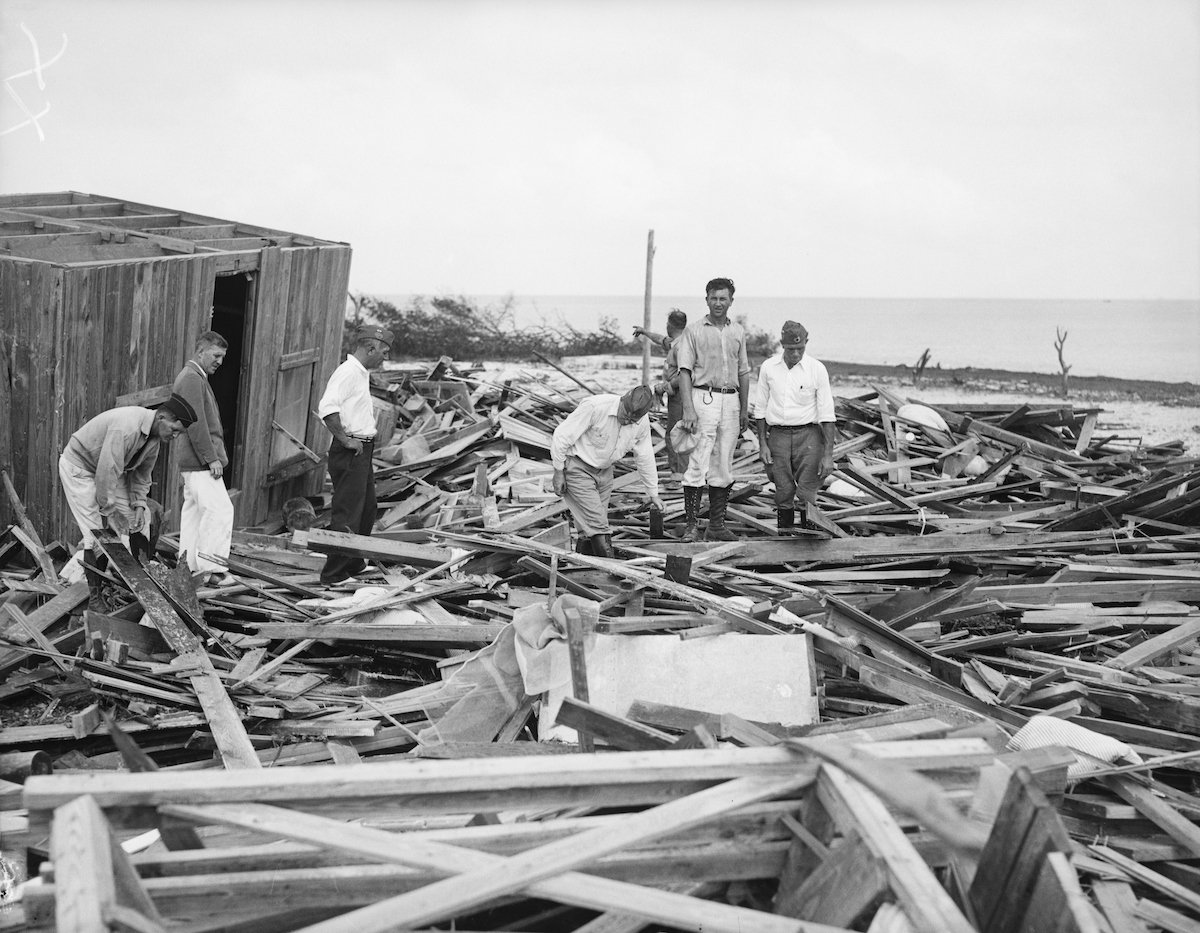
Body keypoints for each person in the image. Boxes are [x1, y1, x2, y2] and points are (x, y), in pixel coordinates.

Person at [59, 395, 196, 608]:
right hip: (80, 468)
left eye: (179, 433)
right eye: (174, 430)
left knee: (140, 518)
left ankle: (140, 579)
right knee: (95, 533)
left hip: (109, 469)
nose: (175, 436)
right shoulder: (127, 428)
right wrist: (110, 511)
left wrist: (139, 504)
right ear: (161, 418)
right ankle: (96, 598)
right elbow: (106, 471)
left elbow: (142, 475)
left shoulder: (155, 437)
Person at [550, 385, 665, 558]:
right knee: (598, 523)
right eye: (625, 414)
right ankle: (611, 570)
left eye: (632, 420)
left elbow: (645, 456)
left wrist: (653, 493)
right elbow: (561, 436)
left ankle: (586, 573)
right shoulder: (595, 407)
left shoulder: (642, 422)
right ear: (622, 401)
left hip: (605, 472)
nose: (627, 421)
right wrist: (559, 471)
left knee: (588, 528)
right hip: (578, 468)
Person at [675, 277, 750, 541]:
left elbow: (743, 371)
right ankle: (692, 526)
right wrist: (688, 409)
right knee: (698, 461)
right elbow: (684, 371)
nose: (718, 303)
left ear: (731, 301)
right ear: (707, 300)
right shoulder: (693, 330)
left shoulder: (738, 332)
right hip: (702, 398)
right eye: (714, 298)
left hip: (731, 401)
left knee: (724, 464)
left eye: (723, 298)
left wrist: (744, 409)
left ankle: (716, 525)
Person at [317, 323, 393, 585]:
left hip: (363, 450)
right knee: (348, 512)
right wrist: (344, 438)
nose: (386, 357)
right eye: (384, 351)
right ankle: (334, 574)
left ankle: (353, 562)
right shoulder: (348, 372)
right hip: (352, 450)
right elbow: (327, 408)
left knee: (367, 508)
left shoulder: (361, 373)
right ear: (370, 347)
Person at [753, 321, 837, 532]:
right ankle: (785, 536)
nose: (796, 354)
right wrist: (762, 444)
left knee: (807, 491)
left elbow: (827, 414)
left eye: (800, 348)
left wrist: (828, 455)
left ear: (806, 343)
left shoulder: (817, 369)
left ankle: (809, 537)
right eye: (791, 349)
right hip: (778, 436)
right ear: (782, 344)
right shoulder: (768, 368)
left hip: (809, 436)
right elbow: (760, 409)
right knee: (783, 489)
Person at [173, 331, 236, 586]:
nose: (220, 361)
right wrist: (211, 458)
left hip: (193, 461)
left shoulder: (195, 377)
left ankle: (187, 566)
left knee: (195, 513)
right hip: (200, 462)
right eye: (216, 355)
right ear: (201, 352)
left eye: (223, 357)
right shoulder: (192, 378)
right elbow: (195, 423)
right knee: (220, 510)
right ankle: (213, 570)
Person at [634, 309, 690, 481]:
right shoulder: (676, 342)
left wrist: (664, 386)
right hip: (675, 397)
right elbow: (660, 340)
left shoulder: (682, 348)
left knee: (676, 433)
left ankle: (679, 474)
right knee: (676, 432)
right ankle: (682, 472)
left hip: (681, 396)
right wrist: (644, 332)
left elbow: (684, 375)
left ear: (669, 325)